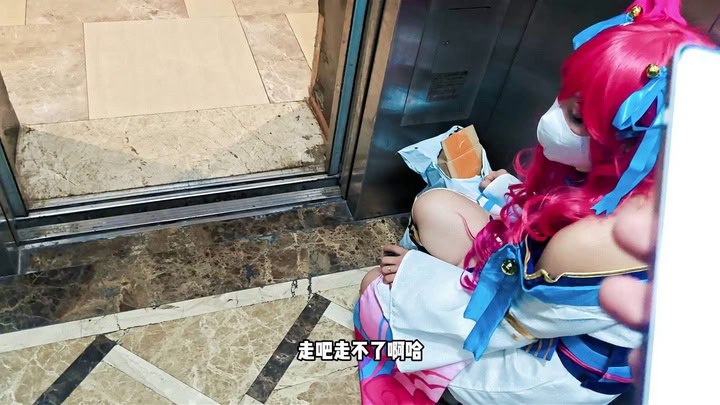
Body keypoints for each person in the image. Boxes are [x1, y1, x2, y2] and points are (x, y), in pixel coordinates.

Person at [353, 1, 714, 404]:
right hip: (534, 303)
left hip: (534, 365)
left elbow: (505, 323)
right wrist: (508, 191)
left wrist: (417, 276)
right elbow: (547, 229)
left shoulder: (592, 242)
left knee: (374, 290)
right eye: (565, 96)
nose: (552, 117)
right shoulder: (650, 183)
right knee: (435, 205)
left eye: (577, 117)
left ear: (631, 145)